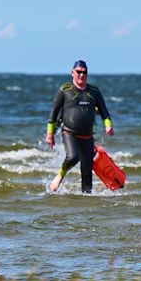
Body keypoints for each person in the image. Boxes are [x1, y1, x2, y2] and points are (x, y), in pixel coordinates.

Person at [45, 60, 114, 193]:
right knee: (73, 157)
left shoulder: (94, 91)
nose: (81, 75)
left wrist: (108, 126)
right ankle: (59, 176)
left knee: (87, 175)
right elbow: (53, 114)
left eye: (84, 72)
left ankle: (86, 207)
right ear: (72, 73)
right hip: (69, 132)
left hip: (88, 136)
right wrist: (50, 134)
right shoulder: (65, 90)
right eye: (78, 72)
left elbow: (105, 112)